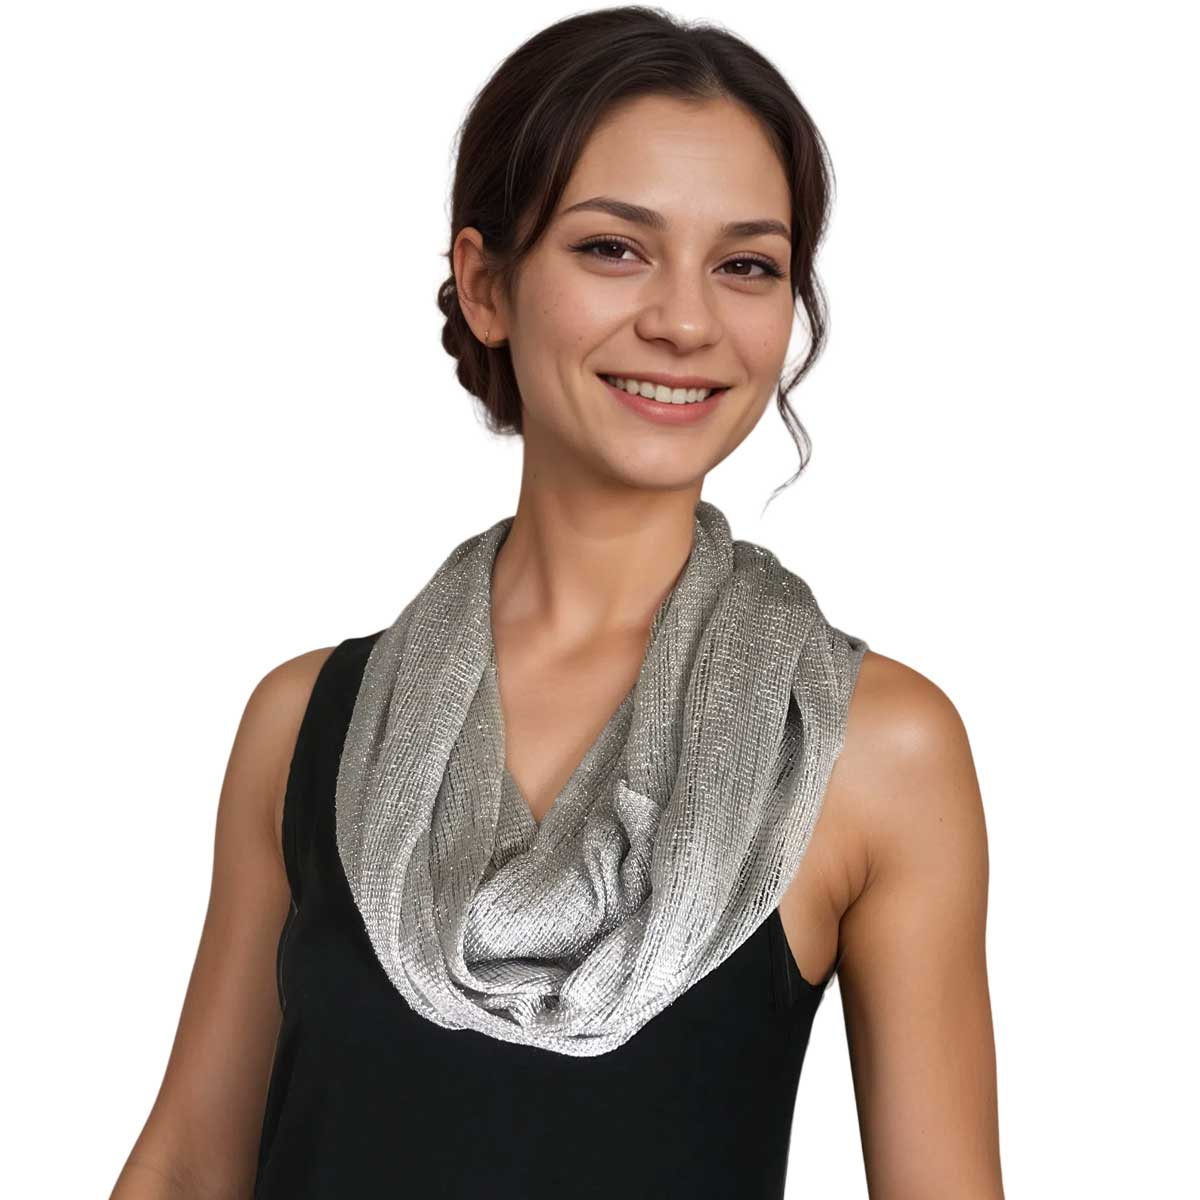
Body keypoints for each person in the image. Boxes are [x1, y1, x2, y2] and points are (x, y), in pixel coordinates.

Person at [111, 8, 1003, 1198]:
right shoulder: (308, 722)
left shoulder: (872, 749)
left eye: (745, 265)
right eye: (614, 248)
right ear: (486, 284)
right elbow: (187, 1168)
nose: (684, 321)